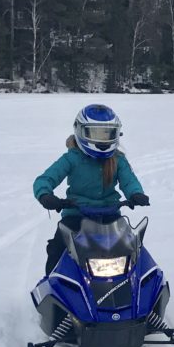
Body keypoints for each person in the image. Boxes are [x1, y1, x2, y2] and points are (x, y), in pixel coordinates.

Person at [33, 104, 149, 274]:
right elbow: (45, 179)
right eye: (95, 134)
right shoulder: (72, 158)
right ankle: (52, 281)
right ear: (81, 132)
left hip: (111, 215)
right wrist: (45, 194)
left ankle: (138, 280)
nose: (102, 140)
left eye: (106, 134)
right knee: (58, 248)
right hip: (76, 215)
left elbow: (129, 180)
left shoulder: (117, 160)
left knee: (132, 247)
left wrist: (136, 193)